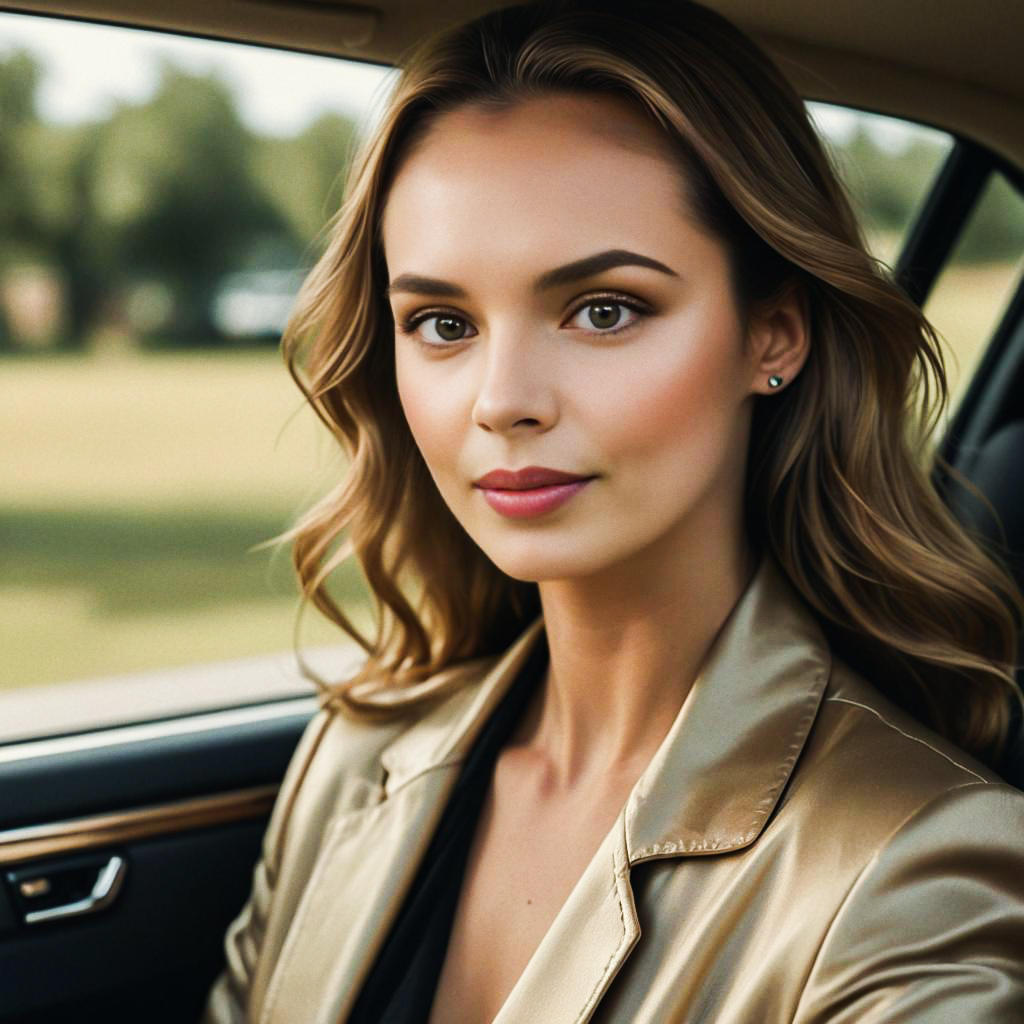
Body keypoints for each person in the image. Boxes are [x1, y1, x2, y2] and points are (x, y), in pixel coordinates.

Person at [201, 1, 1024, 1020]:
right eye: (443, 323)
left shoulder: (915, 870)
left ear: (772, 335)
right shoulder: (353, 762)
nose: (502, 399)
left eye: (603, 310)